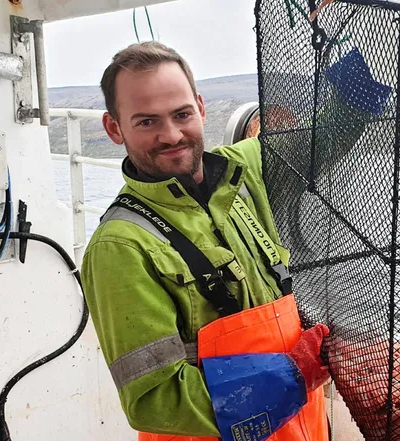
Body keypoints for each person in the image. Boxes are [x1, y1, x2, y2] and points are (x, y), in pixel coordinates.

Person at [80, 41, 330, 441]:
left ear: (200, 106)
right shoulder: (120, 248)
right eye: (146, 122)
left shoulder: (243, 171)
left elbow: (324, 137)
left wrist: (357, 69)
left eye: (181, 114)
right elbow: (155, 399)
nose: (171, 135)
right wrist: (294, 375)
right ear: (114, 128)